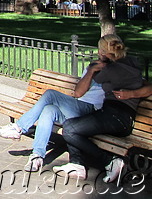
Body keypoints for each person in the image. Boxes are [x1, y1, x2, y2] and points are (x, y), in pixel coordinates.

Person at [0, 46, 106, 172]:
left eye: (105, 50)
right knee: (48, 110)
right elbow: (78, 92)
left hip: (91, 111)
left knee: (50, 94)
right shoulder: (92, 67)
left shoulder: (116, 71)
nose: (101, 53)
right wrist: (91, 71)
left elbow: (80, 94)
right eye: (100, 49)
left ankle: (18, 127)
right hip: (77, 106)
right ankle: (37, 156)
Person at [51, 35, 144, 182]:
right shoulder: (132, 63)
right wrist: (133, 93)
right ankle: (77, 164)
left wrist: (92, 69)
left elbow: (83, 89)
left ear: (104, 51)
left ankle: (110, 161)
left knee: (69, 128)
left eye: (100, 50)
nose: (98, 53)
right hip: (115, 116)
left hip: (117, 117)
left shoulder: (111, 68)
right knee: (73, 124)